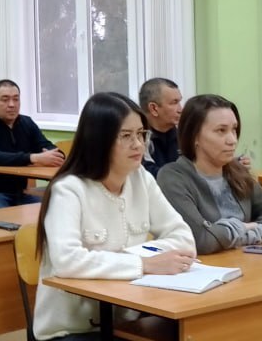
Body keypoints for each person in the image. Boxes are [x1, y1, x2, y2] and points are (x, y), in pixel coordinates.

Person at [34, 92, 195, 341]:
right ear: (99, 140)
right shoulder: (69, 189)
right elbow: (67, 261)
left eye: (141, 134)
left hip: (128, 319)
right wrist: (145, 264)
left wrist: (145, 258)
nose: (138, 144)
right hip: (72, 330)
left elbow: (183, 238)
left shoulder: (141, 178)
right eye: (126, 136)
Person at [156, 95, 262, 254]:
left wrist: (240, 232)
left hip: (246, 262)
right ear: (195, 136)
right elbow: (201, 240)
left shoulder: (237, 171)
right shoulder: (173, 177)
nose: (232, 140)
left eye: (234, 129)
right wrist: (247, 227)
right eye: (221, 130)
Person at [0, 79, 64, 210]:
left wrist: (55, 155)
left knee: (54, 208)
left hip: (20, 193)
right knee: (5, 218)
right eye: (5, 99)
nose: (12, 104)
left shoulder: (26, 123)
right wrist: (33, 158)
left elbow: (46, 145)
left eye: (16, 99)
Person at [137, 78, 184, 177]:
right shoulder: (137, 140)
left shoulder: (185, 137)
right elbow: (145, 175)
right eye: (174, 103)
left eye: (179, 102)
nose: (180, 109)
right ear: (154, 108)